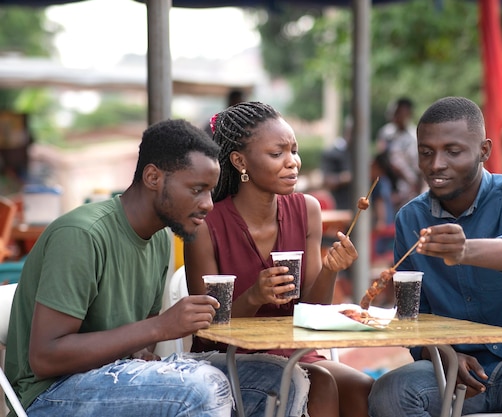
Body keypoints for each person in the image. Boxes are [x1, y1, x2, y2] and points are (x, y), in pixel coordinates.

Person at [5, 119, 308, 417]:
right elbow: (46, 357)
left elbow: (138, 342)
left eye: (210, 192)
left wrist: (146, 352)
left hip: (115, 376)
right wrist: (162, 326)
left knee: (281, 379)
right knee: (200, 389)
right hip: (50, 395)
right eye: (196, 190)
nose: (208, 204)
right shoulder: (82, 235)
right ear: (153, 178)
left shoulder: (161, 238)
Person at [368, 97, 502, 417]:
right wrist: (443, 354)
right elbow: (414, 320)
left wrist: (465, 251)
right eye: (426, 152)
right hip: (456, 375)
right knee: (390, 391)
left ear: (484, 151)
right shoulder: (411, 220)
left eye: (453, 151)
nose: (436, 164)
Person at [184, 101, 374, 417]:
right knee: (322, 384)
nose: (293, 163)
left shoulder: (308, 210)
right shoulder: (205, 225)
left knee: (363, 388)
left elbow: (312, 312)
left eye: (294, 151)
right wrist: (253, 297)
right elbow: (207, 328)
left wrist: (329, 270)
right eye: (277, 154)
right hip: (229, 358)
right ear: (240, 161)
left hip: (294, 352)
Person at [375, 97, 423, 210]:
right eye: (396, 112)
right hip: (388, 186)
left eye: (401, 113)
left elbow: (418, 169)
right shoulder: (386, 133)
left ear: (409, 114)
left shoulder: (415, 136)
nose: (397, 116)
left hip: (409, 188)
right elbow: (380, 158)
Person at [320, 118, 353, 210]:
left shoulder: (361, 154)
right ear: (347, 133)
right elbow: (327, 181)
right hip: (341, 206)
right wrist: (346, 177)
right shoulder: (333, 153)